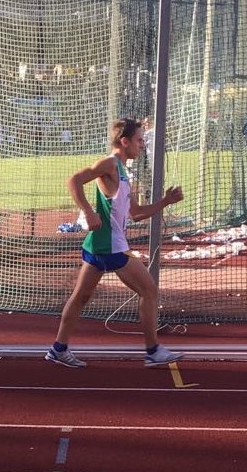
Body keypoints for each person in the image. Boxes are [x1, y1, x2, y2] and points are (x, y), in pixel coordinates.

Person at [45, 118, 185, 369]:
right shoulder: (110, 164)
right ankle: (153, 350)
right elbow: (74, 180)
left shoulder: (122, 171)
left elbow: (136, 213)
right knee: (149, 291)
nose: (142, 145)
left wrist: (166, 201)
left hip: (100, 244)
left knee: (81, 297)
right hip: (111, 245)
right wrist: (88, 211)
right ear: (125, 141)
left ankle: (58, 349)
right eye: (139, 140)